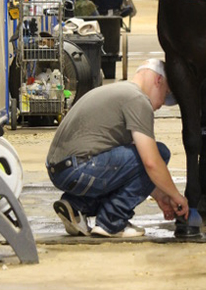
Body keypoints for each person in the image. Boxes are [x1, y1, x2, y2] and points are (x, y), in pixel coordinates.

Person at [46, 59, 189, 238]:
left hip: (61, 170)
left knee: (130, 160)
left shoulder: (117, 91)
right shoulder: (138, 100)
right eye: (166, 93)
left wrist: (161, 196)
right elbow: (151, 163)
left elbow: (127, 170)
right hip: (80, 168)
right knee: (160, 153)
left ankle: (76, 205)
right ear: (158, 80)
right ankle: (112, 222)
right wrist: (176, 196)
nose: (161, 104)